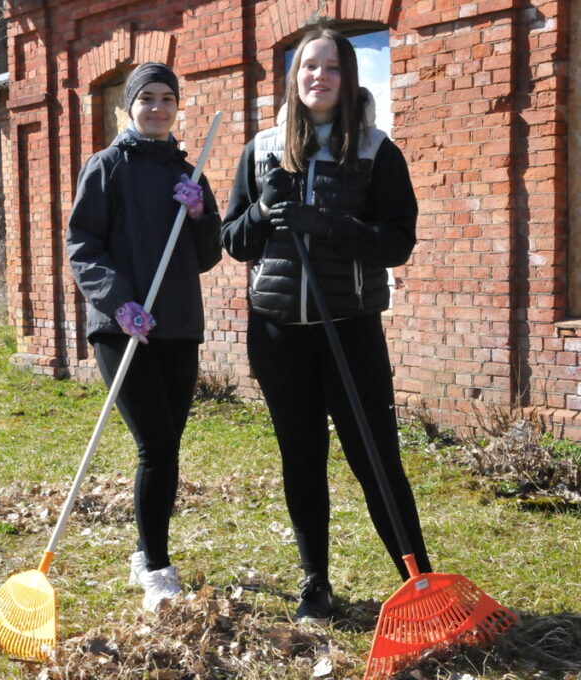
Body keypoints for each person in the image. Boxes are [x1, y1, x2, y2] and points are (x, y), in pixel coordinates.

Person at [220, 27, 431, 623]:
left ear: (347, 78)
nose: (319, 77)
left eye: (332, 67)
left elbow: (397, 241)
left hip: (351, 329)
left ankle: (419, 581)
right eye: (309, 66)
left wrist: (327, 224)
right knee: (302, 457)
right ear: (295, 76)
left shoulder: (374, 150)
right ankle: (316, 583)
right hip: (279, 333)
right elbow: (233, 242)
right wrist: (263, 210)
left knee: (376, 459)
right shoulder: (261, 150)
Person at [66, 62, 222, 613]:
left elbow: (206, 256)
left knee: (167, 447)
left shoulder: (190, 172)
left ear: (177, 107)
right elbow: (82, 244)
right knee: (156, 445)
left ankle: (143, 549)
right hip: (122, 327)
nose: (157, 108)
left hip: (178, 326)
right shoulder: (107, 167)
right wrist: (118, 299)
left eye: (166, 99)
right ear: (128, 107)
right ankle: (155, 566)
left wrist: (201, 213)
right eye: (146, 99)